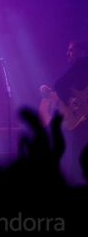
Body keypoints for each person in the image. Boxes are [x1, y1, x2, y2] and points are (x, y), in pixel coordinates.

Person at [54, 39, 88, 186]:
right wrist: (71, 100)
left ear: (82, 52)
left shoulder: (82, 64)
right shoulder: (77, 67)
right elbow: (59, 85)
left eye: (71, 50)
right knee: (77, 153)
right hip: (82, 118)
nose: (67, 53)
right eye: (67, 50)